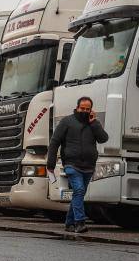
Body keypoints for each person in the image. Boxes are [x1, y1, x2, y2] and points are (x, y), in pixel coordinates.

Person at [46, 96, 108, 233]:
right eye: (82, 108)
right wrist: (50, 163)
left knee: (78, 194)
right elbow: (54, 142)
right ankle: (80, 222)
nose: (84, 111)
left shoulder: (93, 124)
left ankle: (69, 223)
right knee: (79, 190)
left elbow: (103, 139)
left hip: (89, 166)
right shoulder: (67, 122)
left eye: (88, 109)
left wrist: (94, 123)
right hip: (71, 164)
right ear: (77, 107)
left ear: (91, 110)